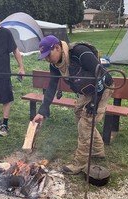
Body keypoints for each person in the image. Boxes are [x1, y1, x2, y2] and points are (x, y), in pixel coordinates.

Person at [32, 35, 114, 175]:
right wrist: (42, 111)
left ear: (57, 47)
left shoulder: (80, 53)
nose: (47, 59)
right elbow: (52, 86)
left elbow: (102, 76)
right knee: (78, 114)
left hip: (102, 88)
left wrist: (94, 102)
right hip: (86, 90)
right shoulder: (55, 63)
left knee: (86, 123)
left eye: (48, 55)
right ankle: (97, 150)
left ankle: (80, 163)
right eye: (44, 56)